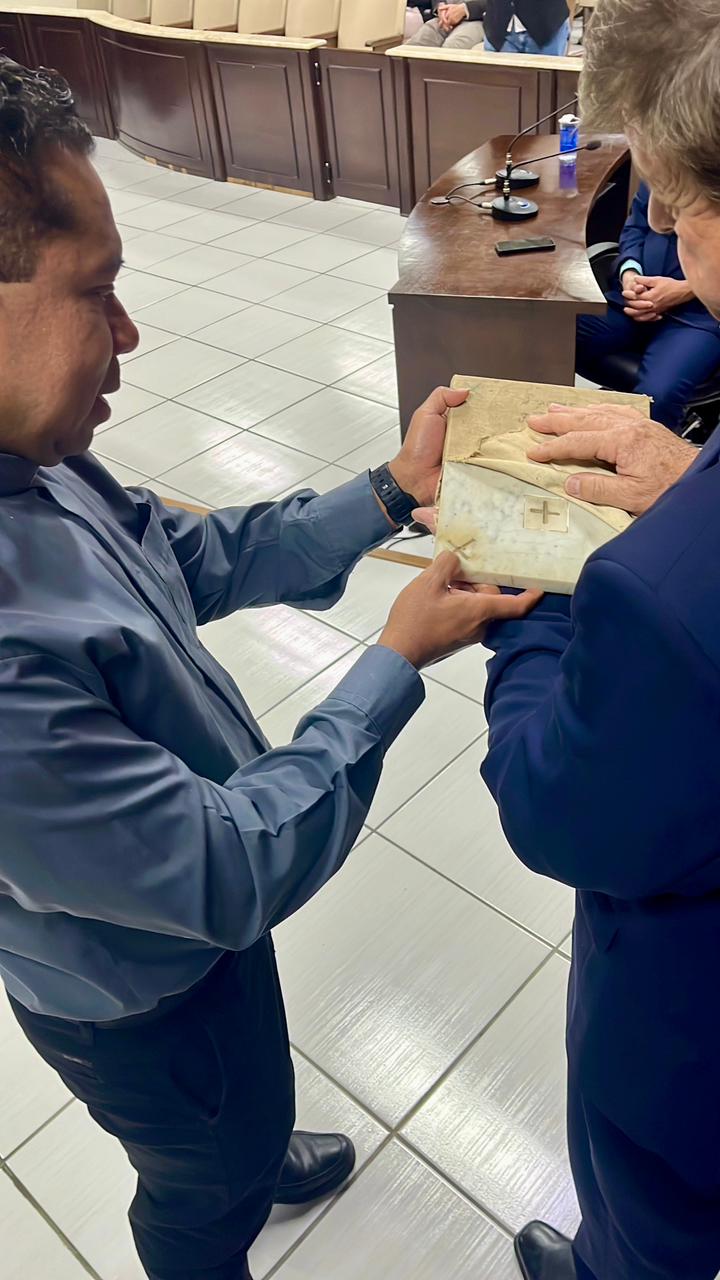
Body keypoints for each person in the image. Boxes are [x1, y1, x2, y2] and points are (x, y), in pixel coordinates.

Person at [0, 59, 539, 1280]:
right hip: (136, 996)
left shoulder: (36, 457)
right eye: (97, 291)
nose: (129, 335)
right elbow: (223, 868)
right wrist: (393, 661)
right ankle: (220, 1185)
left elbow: (186, 553)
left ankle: (245, 1134)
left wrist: (389, 491)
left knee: (240, 1093)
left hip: (193, 944)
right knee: (198, 1182)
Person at [473, 1, 720, 1277]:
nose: (663, 220)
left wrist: (540, 595)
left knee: (646, 1226)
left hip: (689, 1023)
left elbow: (555, 807)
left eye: (682, 201)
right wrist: (688, 477)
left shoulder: (656, 598)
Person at [576, 182, 720, 431]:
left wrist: (687, 288)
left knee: (657, 396)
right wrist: (630, 273)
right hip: (633, 299)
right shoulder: (666, 167)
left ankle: (647, 452)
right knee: (549, 330)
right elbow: (636, 227)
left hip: (699, 317)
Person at [407, 0, 570, 55]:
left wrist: (466, 9)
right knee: (498, 101)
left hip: (544, 26)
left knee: (546, 100)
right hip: (499, 25)